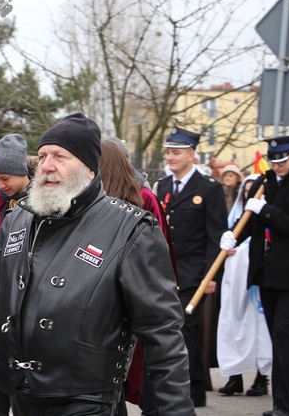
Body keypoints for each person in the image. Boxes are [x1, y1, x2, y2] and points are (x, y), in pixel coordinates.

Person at [0, 113, 193, 416]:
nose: (47, 165)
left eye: (60, 156)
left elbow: (163, 333)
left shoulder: (130, 229)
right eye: (42, 155)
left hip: (87, 401)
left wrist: (176, 409)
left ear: (89, 167)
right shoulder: (18, 220)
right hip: (21, 395)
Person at [220, 135, 289, 416]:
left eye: (281, 160)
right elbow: (250, 224)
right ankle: (282, 403)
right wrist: (232, 237)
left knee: (283, 336)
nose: (276, 166)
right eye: (272, 161)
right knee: (276, 336)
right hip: (266, 272)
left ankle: (286, 405)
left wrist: (266, 210)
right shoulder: (261, 184)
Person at [98, 137, 179, 415]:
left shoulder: (144, 198)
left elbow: (160, 248)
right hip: (112, 297)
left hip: (132, 296)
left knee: (139, 366)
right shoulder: (91, 200)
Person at [156, 126, 227, 408]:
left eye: (176, 153)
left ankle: (192, 390)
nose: (170, 158)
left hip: (194, 274)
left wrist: (211, 276)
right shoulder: (162, 185)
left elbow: (216, 236)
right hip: (166, 272)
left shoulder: (209, 189)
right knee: (173, 330)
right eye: (168, 152)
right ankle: (190, 388)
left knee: (185, 329)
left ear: (191, 155)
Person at [0, 133, 30, 416]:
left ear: (21, 173)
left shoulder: (38, 202)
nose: (1, 185)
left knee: (12, 376)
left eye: (6, 178)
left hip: (21, 299)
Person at [216, 174, 272, 397]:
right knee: (234, 325)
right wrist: (228, 245)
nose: (251, 193)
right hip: (236, 282)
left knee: (260, 328)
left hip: (258, 284)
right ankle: (235, 377)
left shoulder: (266, 216)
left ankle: (262, 377)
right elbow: (232, 238)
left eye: (255, 189)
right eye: (248, 190)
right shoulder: (238, 218)